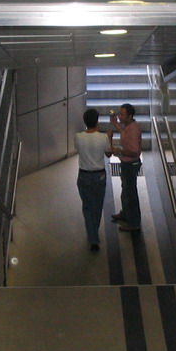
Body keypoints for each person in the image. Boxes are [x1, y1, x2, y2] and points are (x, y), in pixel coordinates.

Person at [74, 108, 112, 251]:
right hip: (100, 175)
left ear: (85, 122)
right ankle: (93, 233)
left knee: (88, 207)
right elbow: (109, 155)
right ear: (97, 121)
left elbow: (78, 149)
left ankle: (93, 237)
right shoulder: (103, 138)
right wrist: (110, 138)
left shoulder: (78, 137)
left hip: (84, 175)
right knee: (98, 205)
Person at [109, 103, 142, 232]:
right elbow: (123, 132)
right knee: (126, 190)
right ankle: (126, 213)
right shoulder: (129, 126)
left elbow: (134, 151)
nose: (119, 116)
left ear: (130, 115)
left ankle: (134, 222)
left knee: (130, 193)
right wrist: (115, 123)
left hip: (130, 164)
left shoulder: (133, 130)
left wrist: (120, 151)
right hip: (126, 163)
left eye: (122, 115)